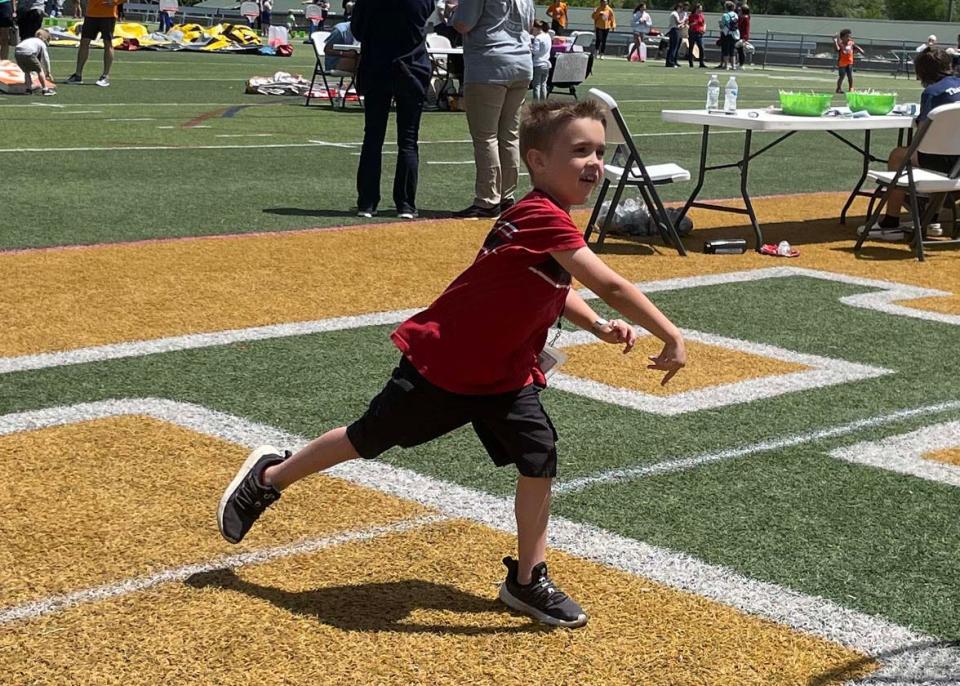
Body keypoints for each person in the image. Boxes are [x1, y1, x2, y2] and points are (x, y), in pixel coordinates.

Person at [217, 98, 688, 629]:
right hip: (447, 366)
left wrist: (598, 325)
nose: (594, 162)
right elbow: (611, 282)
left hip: (504, 374)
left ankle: (528, 579)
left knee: (539, 458)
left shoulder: (546, 221)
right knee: (368, 437)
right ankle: (271, 476)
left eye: (600, 151)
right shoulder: (540, 215)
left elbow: (555, 286)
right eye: (579, 150)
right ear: (536, 161)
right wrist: (668, 332)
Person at [860, 48, 960, 240]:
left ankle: (891, 220)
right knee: (944, 159)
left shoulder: (932, 92)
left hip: (941, 160)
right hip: (958, 162)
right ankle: (932, 220)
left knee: (898, 155)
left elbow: (924, 133)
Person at [451, 0, 535, 219]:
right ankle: (506, 196)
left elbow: (463, 23)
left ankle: (487, 200)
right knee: (509, 135)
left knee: (486, 137)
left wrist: (451, 12)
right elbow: (528, 23)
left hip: (489, 63)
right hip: (522, 62)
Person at [351, 0, 433, 220]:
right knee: (408, 140)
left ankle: (367, 202)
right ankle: (405, 204)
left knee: (373, 137)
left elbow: (357, 30)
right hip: (412, 68)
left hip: (377, 66)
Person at [65, 0, 125, 87]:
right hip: (91, 14)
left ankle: (105, 75)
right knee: (84, 42)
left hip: (108, 15)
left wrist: (114, 2)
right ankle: (78, 75)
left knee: (107, 43)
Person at [15, 28, 55, 94]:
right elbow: (46, 59)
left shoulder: (30, 40)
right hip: (29, 53)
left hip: (17, 52)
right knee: (39, 70)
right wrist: (48, 72)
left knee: (26, 71)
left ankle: (28, 89)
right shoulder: (41, 43)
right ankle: (45, 89)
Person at [833, 28, 864, 94]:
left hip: (850, 62)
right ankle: (838, 88)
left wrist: (860, 50)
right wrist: (835, 41)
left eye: (849, 36)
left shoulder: (851, 43)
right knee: (842, 76)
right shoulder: (840, 44)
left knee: (850, 76)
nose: (848, 37)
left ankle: (851, 88)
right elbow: (837, 49)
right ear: (842, 37)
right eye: (847, 36)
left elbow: (855, 46)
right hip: (842, 63)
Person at [530, 20, 550, 101]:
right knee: (543, 85)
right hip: (546, 64)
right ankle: (543, 104)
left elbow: (535, 51)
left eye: (533, 30)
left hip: (538, 64)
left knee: (536, 86)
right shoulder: (547, 35)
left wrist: (530, 47)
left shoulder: (538, 38)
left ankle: (536, 105)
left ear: (536, 28)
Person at [686, 2, 705, 67]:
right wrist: (693, 23)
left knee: (701, 47)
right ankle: (691, 63)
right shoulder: (691, 16)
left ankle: (701, 63)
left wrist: (704, 29)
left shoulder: (702, 15)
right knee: (691, 47)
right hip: (692, 32)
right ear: (696, 9)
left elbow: (703, 23)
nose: (701, 10)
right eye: (700, 8)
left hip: (699, 33)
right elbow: (689, 24)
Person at [735, 3, 750, 69]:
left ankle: (741, 64)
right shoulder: (743, 17)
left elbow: (744, 28)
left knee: (741, 50)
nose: (739, 11)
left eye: (740, 10)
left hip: (743, 36)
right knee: (739, 50)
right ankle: (740, 63)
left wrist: (744, 38)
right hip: (740, 35)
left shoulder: (745, 18)